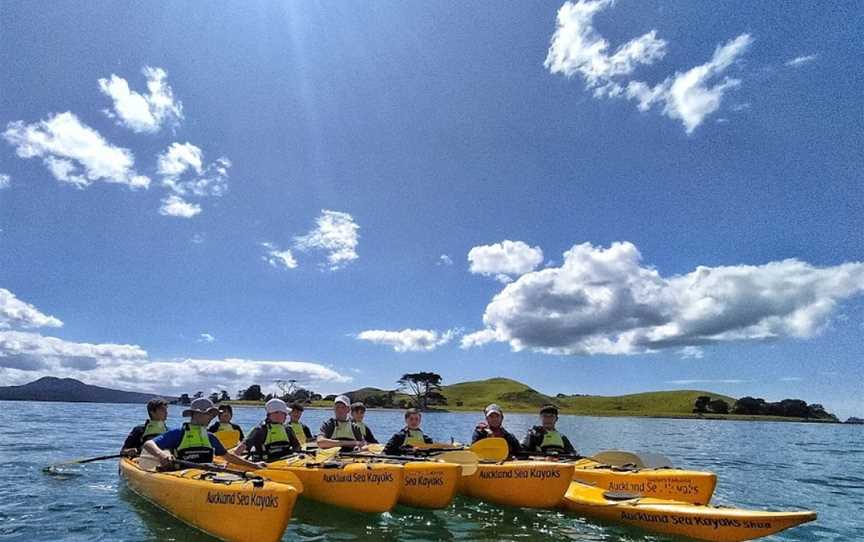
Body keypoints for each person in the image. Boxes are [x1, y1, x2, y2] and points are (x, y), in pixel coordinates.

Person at [142, 397, 262, 470]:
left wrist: (254, 466)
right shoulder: (178, 433)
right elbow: (148, 444)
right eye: (209, 414)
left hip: (207, 474)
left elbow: (229, 457)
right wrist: (161, 454)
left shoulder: (210, 437)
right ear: (196, 414)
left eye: (213, 414)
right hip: (184, 476)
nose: (212, 417)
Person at [233, 398, 302, 462]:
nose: (287, 415)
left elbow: (297, 448)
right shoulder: (260, 430)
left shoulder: (288, 429)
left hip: (284, 463)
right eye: (284, 413)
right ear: (275, 413)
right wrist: (230, 461)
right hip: (265, 464)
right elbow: (240, 448)